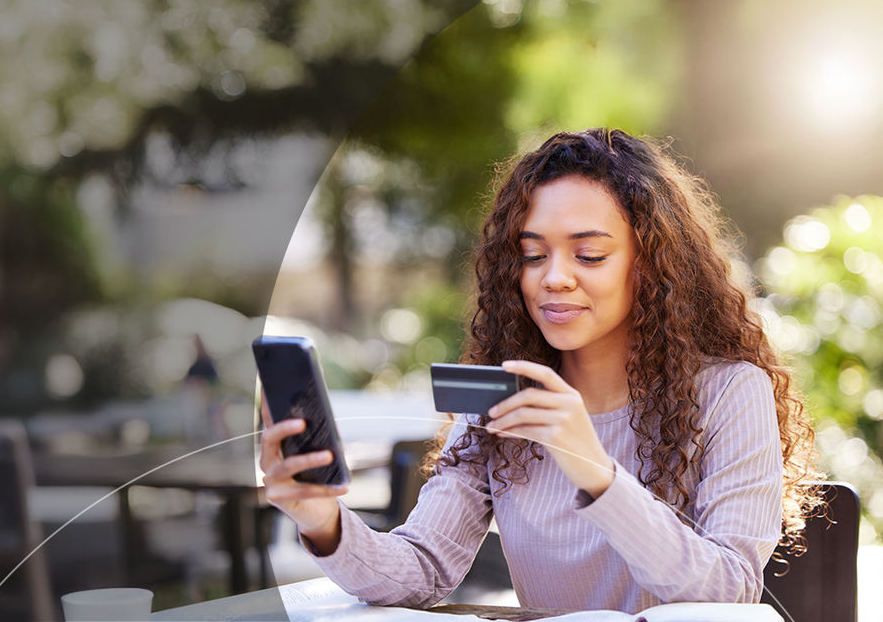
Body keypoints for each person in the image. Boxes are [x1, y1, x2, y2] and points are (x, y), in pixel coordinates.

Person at [258, 129, 822, 613]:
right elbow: (421, 570)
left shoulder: (728, 393)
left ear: (651, 262)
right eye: (532, 255)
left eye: (589, 255)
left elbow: (730, 592)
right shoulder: (503, 400)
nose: (553, 278)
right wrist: (321, 519)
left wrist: (594, 469)